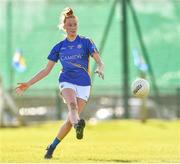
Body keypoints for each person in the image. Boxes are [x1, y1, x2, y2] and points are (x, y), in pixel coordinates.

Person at [15, 7, 104, 159]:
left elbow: (98, 60)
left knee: (70, 120)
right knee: (72, 106)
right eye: (69, 25)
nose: (73, 27)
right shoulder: (59, 47)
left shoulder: (86, 42)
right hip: (66, 80)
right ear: (64, 27)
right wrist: (28, 84)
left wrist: (101, 67)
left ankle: (52, 146)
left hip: (84, 83)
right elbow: (46, 70)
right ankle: (78, 125)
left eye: (75, 24)